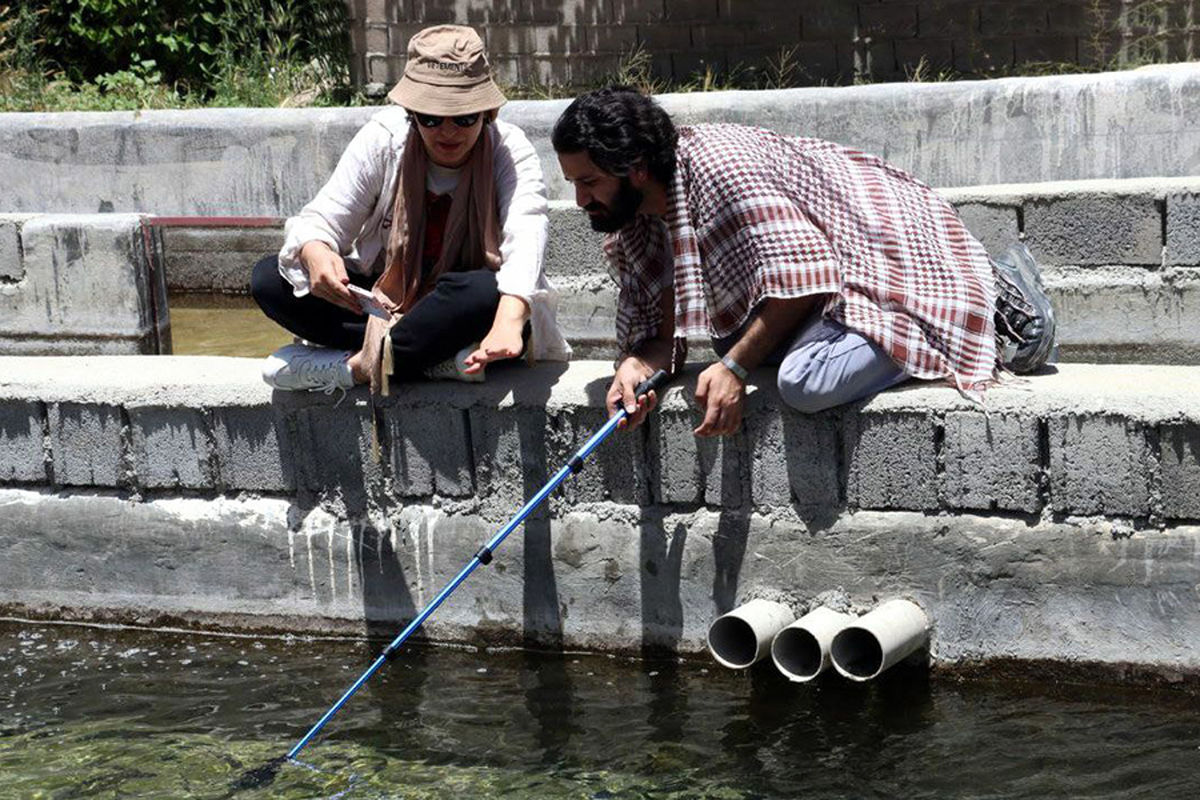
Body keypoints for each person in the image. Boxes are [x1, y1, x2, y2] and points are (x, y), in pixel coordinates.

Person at [551, 87, 1054, 436]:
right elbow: (667, 334)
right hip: (824, 271)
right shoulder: (638, 217)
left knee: (804, 381)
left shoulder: (722, 170)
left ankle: (988, 296)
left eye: (589, 182)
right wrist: (636, 366)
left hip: (880, 254)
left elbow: (808, 277)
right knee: (731, 336)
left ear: (636, 169)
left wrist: (734, 369)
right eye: (573, 183)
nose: (580, 200)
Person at [251, 25, 570, 395]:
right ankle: (431, 359)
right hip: (392, 301)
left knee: (487, 292)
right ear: (411, 113)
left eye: (464, 118)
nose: (447, 132)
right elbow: (323, 218)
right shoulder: (384, 138)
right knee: (270, 280)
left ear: (488, 113)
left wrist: (510, 319)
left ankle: (356, 367)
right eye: (431, 118)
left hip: (465, 306)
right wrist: (316, 251)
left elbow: (527, 234)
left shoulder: (509, 150)